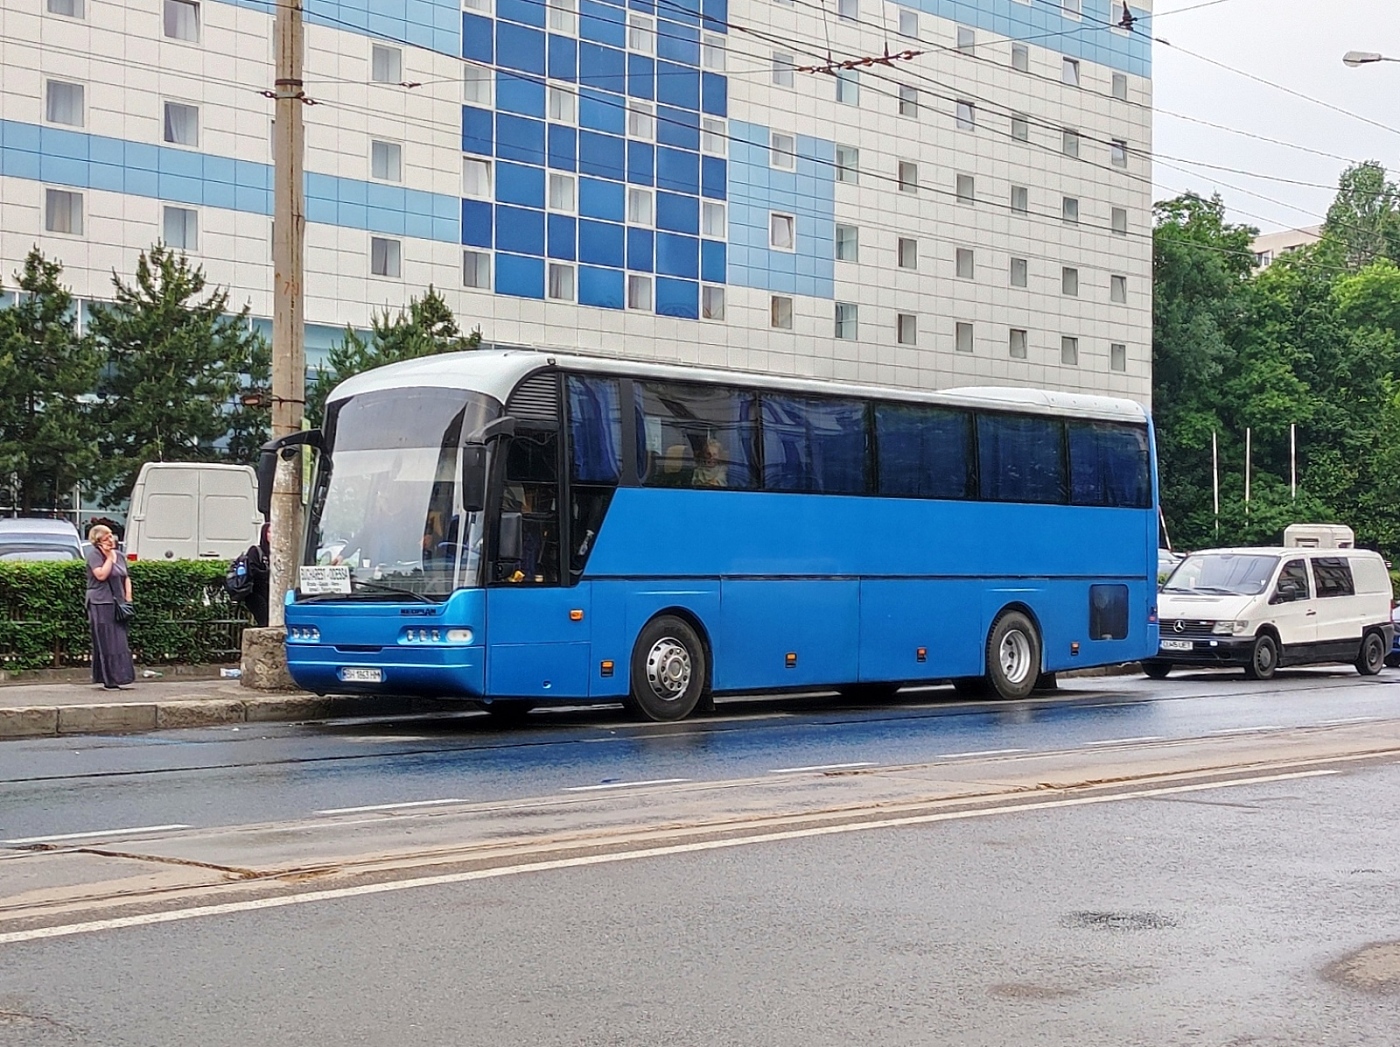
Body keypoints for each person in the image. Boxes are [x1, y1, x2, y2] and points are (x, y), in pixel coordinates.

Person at [85, 523, 135, 690]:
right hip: (101, 602)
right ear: (98, 541)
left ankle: (122, 675)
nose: (111, 539)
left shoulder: (120, 555)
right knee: (107, 640)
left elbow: (125, 576)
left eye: (111, 535)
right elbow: (101, 575)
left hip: (118, 603)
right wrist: (108, 558)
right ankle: (109, 679)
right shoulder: (94, 555)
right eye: (106, 537)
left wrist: (128, 597)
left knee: (120, 641)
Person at [244, 523, 271, 628]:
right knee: (264, 621)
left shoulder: (276, 552)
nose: (272, 535)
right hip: (255, 593)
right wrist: (268, 574)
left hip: (269, 593)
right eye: (269, 532)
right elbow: (252, 570)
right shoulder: (255, 551)